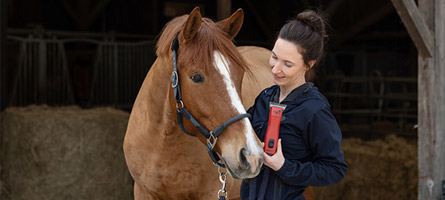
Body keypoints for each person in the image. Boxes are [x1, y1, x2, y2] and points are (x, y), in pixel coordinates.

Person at [240, 10, 348, 200]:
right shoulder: (264, 98)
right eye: (274, 57)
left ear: (308, 64)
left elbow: (335, 169)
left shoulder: (315, 110)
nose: (275, 68)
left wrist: (284, 166)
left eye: (287, 64)